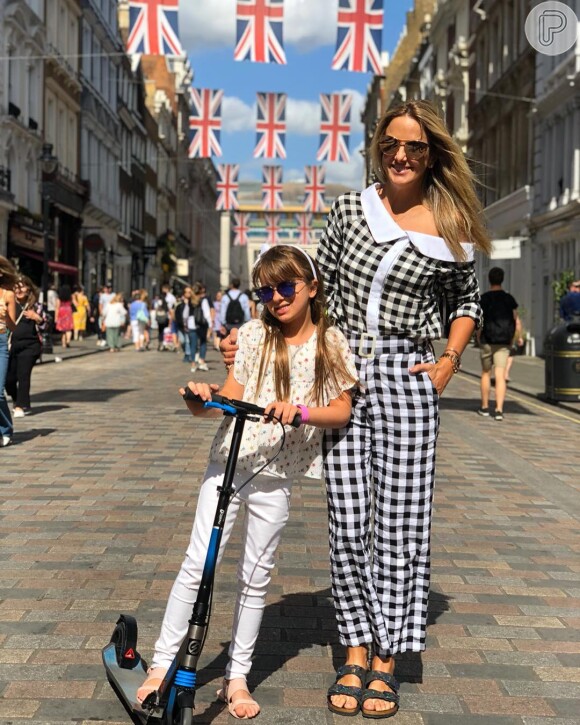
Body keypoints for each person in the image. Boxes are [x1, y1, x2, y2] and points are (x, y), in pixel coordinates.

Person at [219, 100, 491, 718]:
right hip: (341, 371)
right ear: (378, 147)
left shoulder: (451, 223)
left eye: (415, 148)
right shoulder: (349, 210)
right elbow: (319, 300)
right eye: (391, 144)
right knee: (347, 521)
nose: (401, 156)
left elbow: (466, 299)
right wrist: (255, 337)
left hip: (407, 375)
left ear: (433, 155)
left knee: (399, 523)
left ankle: (390, 657)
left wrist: (449, 359)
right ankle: (355, 650)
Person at [136, 245, 356, 719]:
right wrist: (200, 398)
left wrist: (300, 412)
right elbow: (228, 396)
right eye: (266, 290)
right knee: (199, 562)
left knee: (254, 578)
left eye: (286, 287)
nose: (276, 298)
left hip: (277, 473)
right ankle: (161, 664)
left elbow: (341, 410)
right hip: (228, 463)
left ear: (312, 287)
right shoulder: (254, 335)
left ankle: (236, 678)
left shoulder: (330, 343)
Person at [477, 267, 522, 421]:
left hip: (487, 340)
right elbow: (515, 319)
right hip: (503, 341)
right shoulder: (509, 299)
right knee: (500, 375)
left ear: (489, 280)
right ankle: (499, 409)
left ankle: (484, 407)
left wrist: (478, 336)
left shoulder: (483, 298)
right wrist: (514, 338)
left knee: (485, 373)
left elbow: (479, 321)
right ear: (502, 279)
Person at [6, 275, 49, 416]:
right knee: (8, 379)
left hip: (30, 346)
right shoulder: (8, 304)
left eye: (22, 286)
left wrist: (37, 318)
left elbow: (45, 327)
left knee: (23, 374)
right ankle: (19, 399)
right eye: (16, 287)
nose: (19, 290)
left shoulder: (36, 306)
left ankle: (20, 406)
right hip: (12, 346)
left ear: (29, 288)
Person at [0, 256, 17, 446]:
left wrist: (5, 315)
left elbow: (14, 327)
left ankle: (6, 429)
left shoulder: (8, 294)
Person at [190, 283, 212, 372]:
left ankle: (193, 365)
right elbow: (207, 314)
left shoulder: (190, 300)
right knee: (203, 343)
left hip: (191, 324)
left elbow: (186, 313)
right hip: (201, 324)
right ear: (201, 291)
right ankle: (202, 361)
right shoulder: (203, 300)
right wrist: (210, 324)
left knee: (193, 345)